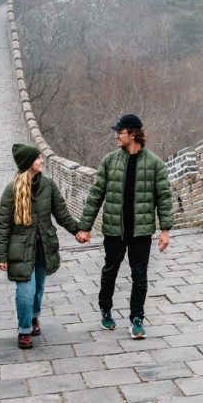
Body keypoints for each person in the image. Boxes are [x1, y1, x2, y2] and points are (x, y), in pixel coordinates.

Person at [76, 114, 173, 340]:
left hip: (141, 230)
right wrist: (85, 227)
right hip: (114, 230)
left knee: (140, 275)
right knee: (110, 270)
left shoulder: (154, 164)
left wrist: (165, 230)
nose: (116, 136)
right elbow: (95, 195)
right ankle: (106, 309)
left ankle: (136, 319)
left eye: (119, 132)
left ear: (132, 133)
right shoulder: (110, 161)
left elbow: (164, 198)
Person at [0, 143, 80, 349]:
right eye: (37, 158)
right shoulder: (12, 190)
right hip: (21, 249)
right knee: (25, 291)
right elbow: (4, 224)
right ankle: (24, 330)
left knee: (38, 288)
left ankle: (33, 317)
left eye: (41, 157)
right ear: (27, 163)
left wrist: (78, 231)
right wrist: (1, 255)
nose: (42, 161)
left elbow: (62, 214)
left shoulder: (48, 185)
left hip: (43, 246)